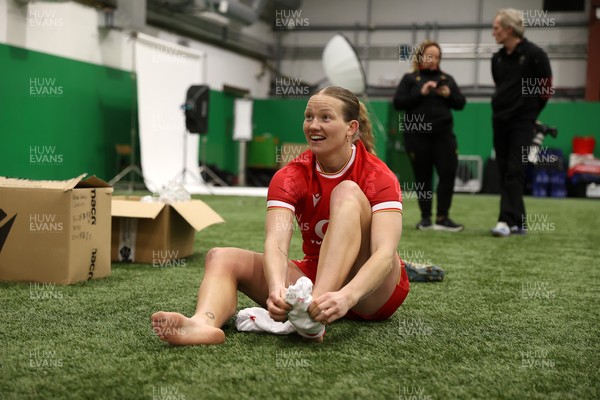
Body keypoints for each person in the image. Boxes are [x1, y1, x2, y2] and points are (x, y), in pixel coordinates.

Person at [151, 86, 410, 345]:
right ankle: (202, 324)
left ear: (351, 128)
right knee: (221, 257)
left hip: (372, 293)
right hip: (317, 272)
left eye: (326, 118)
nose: (313, 125)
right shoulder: (290, 176)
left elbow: (384, 255)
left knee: (347, 192)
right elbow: (276, 240)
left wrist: (348, 296)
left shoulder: (378, 175)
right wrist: (276, 288)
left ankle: (311, 317)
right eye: (309, 117)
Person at [490, 9, 552, 237]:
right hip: (499, 120)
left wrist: (532, 112)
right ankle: (519, 221)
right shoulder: (496, 58)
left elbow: (545, 88)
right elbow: (501, 86)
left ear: (509, 29)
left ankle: (505, 220)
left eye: (496, 28)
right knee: (505, 169)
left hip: (523, 122)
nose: (493, 32)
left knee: (515, 170)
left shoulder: (536, 55)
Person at [393, 40, 466, 232]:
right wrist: (421, 92)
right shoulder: (410, 79)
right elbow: (398, 103)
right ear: (420, 57)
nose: (433, 60)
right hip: (417, 137)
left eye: (437, 57)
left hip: (444, 136)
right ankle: (425, 218)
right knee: (422, 177)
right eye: (429, 56)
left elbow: (460, 103)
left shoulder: (446, 79)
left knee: (448, 173)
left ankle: (443, 217)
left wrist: (448, 94)